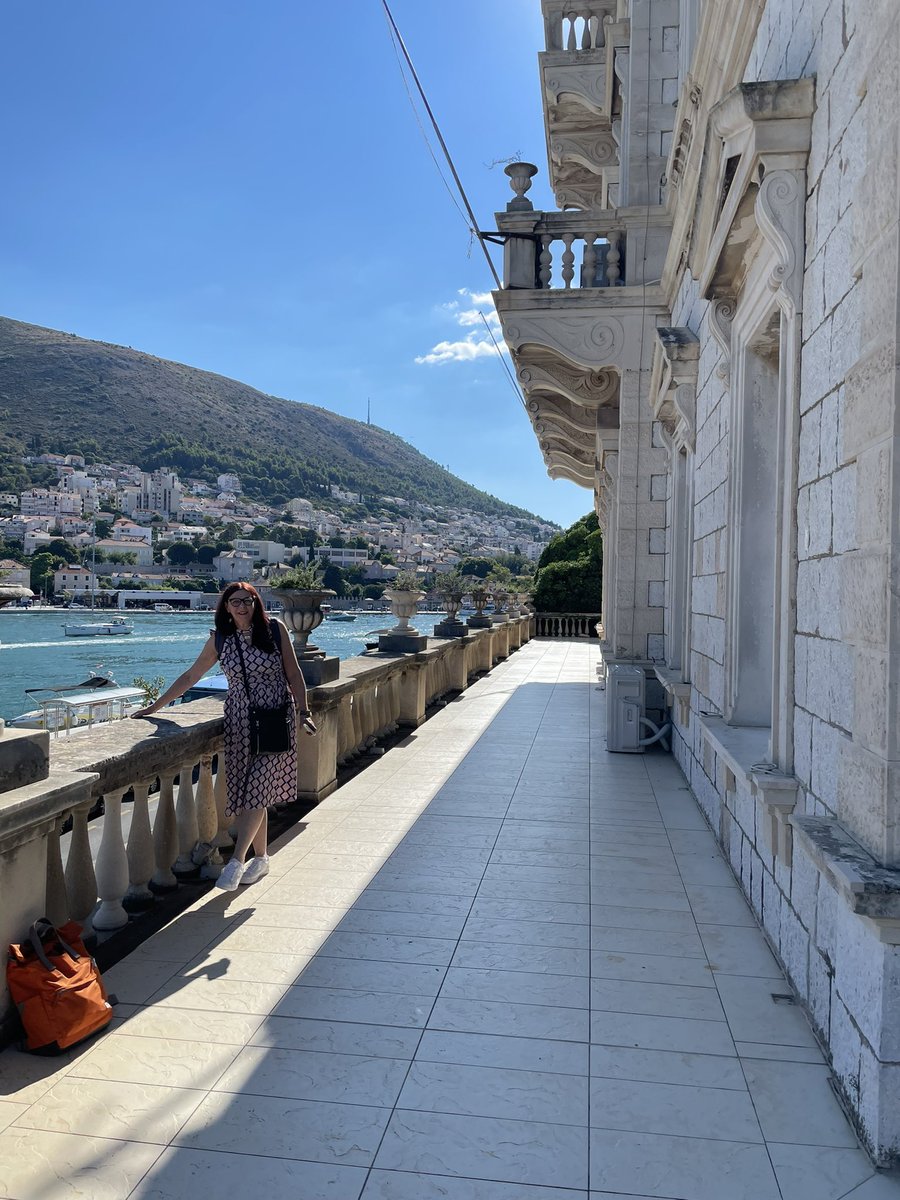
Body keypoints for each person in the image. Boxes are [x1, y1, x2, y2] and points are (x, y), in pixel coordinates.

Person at [131, 582, 316, 890]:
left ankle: (236, 861)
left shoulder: (275, 629)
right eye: (235, 602)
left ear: (256, 603)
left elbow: (294, 673)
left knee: (257, 788)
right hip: (241, 722)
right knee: (253, 793)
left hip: (276, 718)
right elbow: (191, 676)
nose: (242, 606)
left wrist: (304, 711)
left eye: (247, 600)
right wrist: (155, 707)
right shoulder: (220, 639)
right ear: (226, 607)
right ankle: (262, 858)